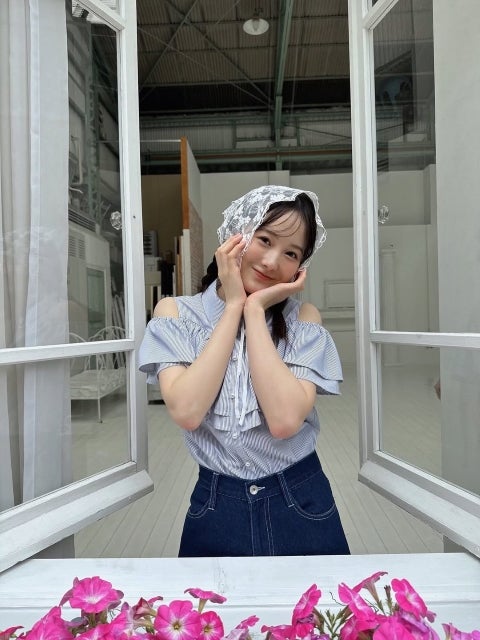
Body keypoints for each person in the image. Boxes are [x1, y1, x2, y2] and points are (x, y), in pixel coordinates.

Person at [138, 185, 350, 557]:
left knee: (321, 600)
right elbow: (187, 411)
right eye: (264, 239)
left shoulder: (303, 319)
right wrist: (234, 304)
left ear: (300, 267)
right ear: (236, 236)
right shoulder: (176, 313)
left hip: (300, 499)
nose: (271, 261)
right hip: (217, 504)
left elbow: (284, 421)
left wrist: (255, 311)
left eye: (291, 253)